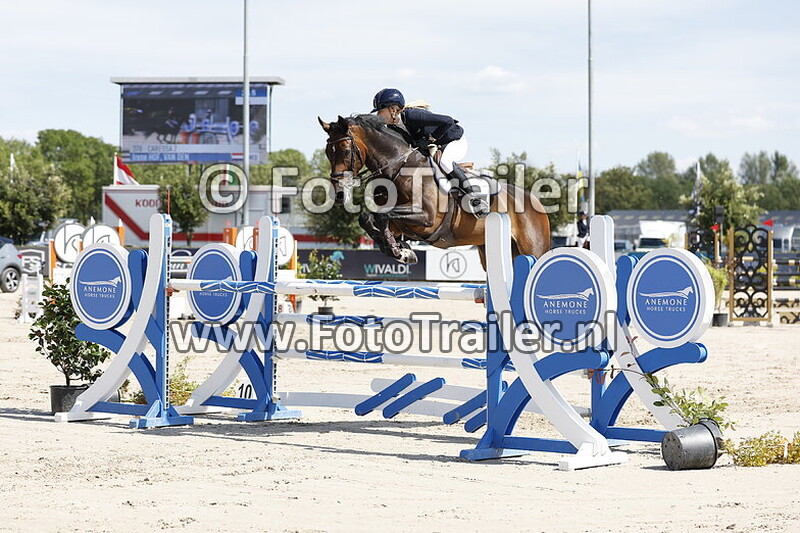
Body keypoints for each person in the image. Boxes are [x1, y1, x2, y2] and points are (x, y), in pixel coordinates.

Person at [371, 88, 488, 216]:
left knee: (445, 162)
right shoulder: (392, 127)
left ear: (393, 110)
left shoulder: (412, 115)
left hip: (454, 139)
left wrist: (430, 139)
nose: (378, 116)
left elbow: (448, 121)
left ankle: (474, 198)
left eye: (380, 111)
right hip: (435, 146)